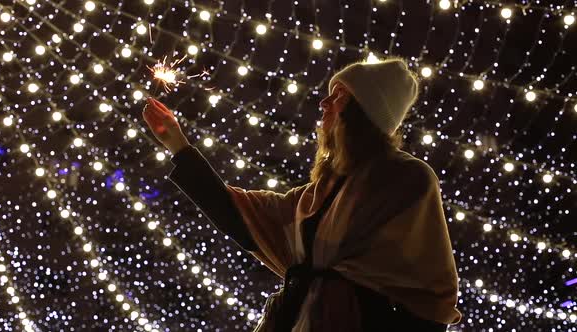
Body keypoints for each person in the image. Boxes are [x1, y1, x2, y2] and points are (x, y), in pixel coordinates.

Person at [142, 57, 462, 331]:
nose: (322, 103)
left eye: (338, 96)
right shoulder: (318, 194)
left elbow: (429, 296)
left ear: (365, 110)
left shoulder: (408, 180)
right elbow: (239, 215)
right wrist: (177, 144)